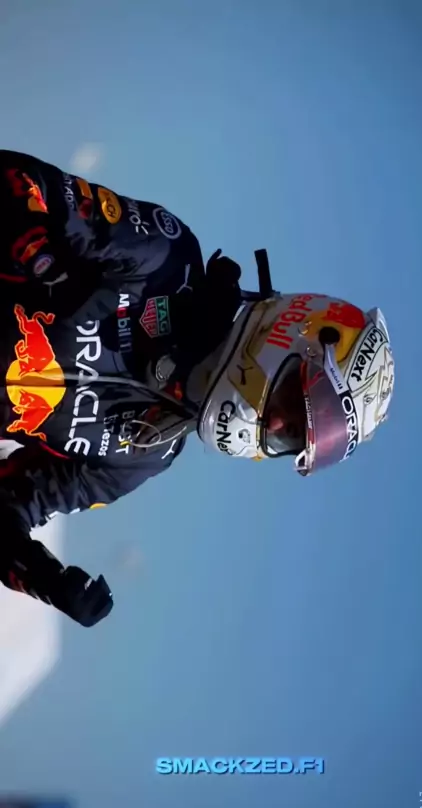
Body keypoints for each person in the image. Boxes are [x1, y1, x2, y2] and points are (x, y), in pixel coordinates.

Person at [0, 150, 395, 628]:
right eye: (295, 403)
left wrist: (42, 576)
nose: (274, 422)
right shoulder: (167, 263)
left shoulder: (145, 454)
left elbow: (9, 503)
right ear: (300, 334)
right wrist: (47, 263)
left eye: (290, 435)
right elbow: (19, 180)